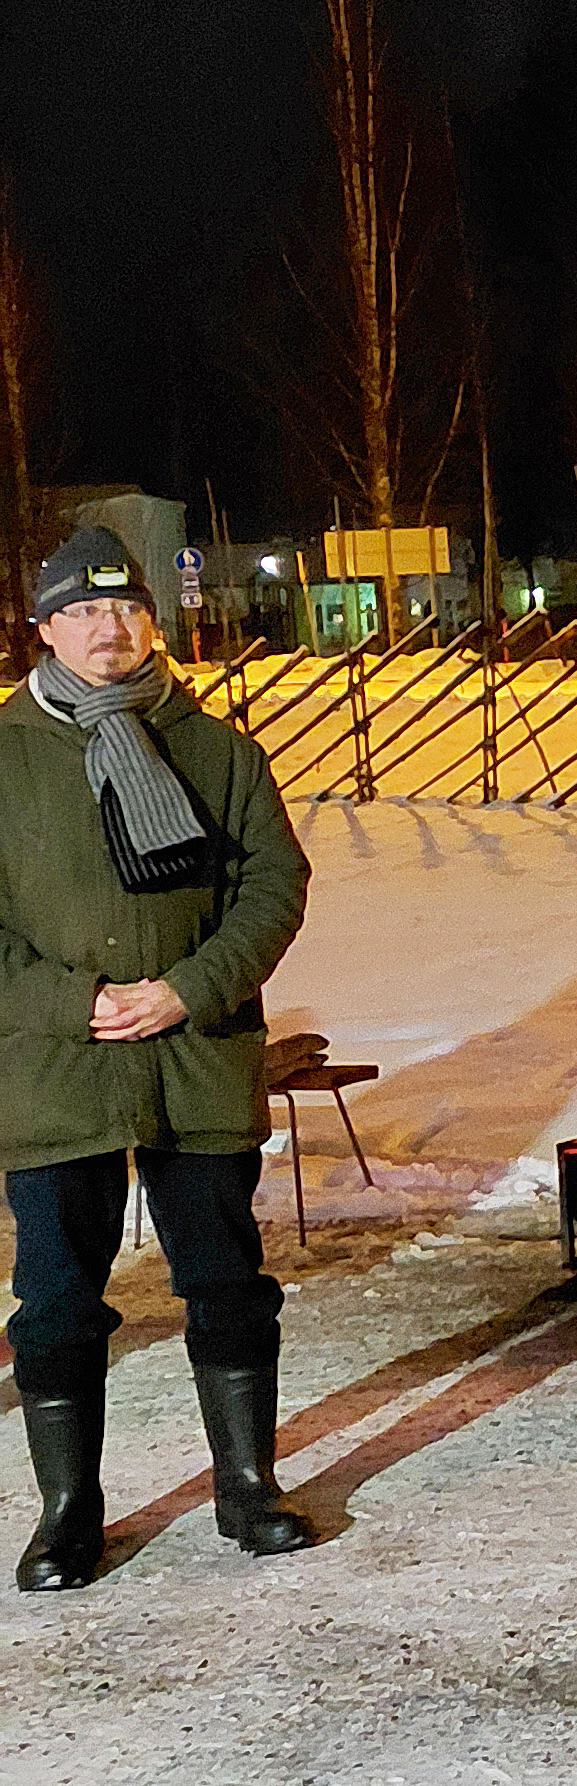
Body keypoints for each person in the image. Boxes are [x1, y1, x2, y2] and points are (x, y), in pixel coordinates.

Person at [2, 524, 317, 1588]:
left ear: (153, 623)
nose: (109, 628)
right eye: (84, 610)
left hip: (198, 1057)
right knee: (55, 1300)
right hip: (55, 1069)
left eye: (126, 608)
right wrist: (73, 1002)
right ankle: (68, 1514)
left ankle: (247, 1486)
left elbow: (273, 885)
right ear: (45, 628)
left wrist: (190, 987)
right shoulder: (4, 755)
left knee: (227, 1281)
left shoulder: (217, 749)